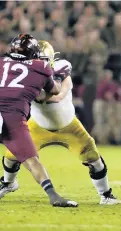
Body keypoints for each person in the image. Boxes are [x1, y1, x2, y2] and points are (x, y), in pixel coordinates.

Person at [0, 40, 121, 205]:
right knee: (10, 157)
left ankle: (106, 195)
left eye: (43, 59)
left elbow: (56, 96)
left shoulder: (60, 67)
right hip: (38, 126)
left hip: (69, 127)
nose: (40, 62)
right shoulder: (29, 73)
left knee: (94, 159)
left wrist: (33, 93)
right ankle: (8, 183)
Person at [0, 34, 77, 207]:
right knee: (31, 160)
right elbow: (55, 91)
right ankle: (53, 195)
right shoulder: (40, 67)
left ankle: (8, 183)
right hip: (13, 117)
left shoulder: (2, 62)